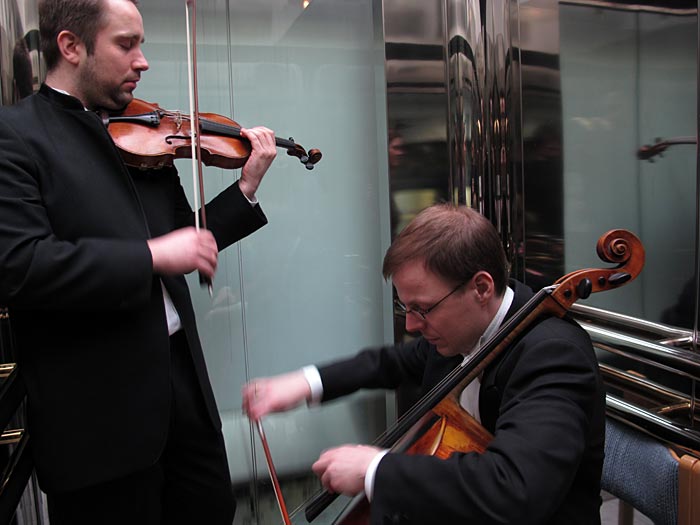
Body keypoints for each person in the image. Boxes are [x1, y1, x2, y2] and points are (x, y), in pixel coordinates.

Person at [0, 0, 277, 523]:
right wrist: (149, 255)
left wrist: (246, 187)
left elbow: (186, 239)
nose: (143, 60)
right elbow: (22, 265)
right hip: (99, 419)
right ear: (71, 47)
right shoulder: (14, 136)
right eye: (126, 44)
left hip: (184, 392)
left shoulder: (143, 130)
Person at [243, 204, 605, 525]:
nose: (412, 325)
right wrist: (304, 383)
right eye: (405, 308)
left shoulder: (553, 354)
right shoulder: (455, 336)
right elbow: (387, 363)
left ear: (481, 287)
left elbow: (515, 488)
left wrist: (375, 469)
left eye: (422, 308)